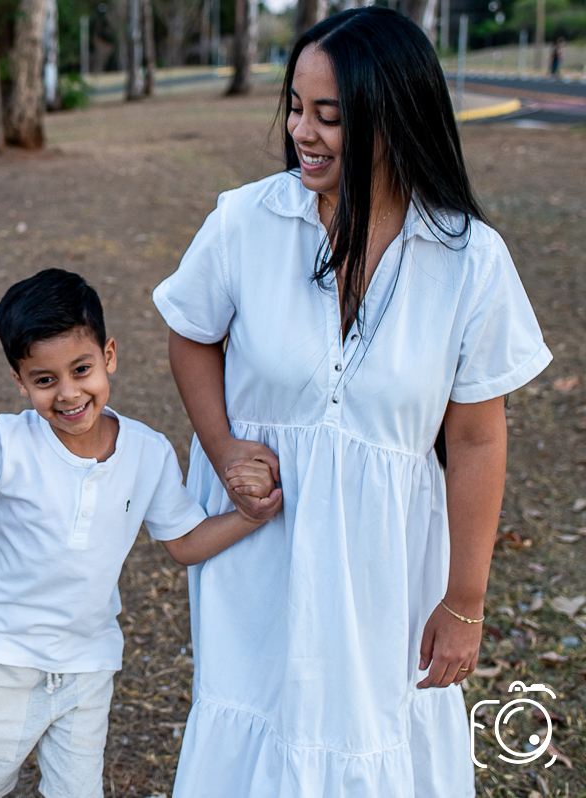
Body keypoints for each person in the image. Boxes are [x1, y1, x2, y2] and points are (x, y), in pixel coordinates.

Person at [153, 7, 552, 796]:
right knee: (256, 716)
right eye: (296, 108)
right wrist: (225, 449)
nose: (302, 132)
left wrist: (464, 602)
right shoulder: (247, 220)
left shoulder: (469, 259)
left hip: (387, 557)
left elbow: (477, 439)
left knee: (372, 731)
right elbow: (190, 336)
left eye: (329, 116)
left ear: (392, 116)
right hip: (262, 544)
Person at [0, 269, 282, 798]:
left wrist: (248, 518)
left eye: (81, 369)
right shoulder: (8, 441)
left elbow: (184, 543)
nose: (68, 394)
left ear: (109, 355)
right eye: (44, 380)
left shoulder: (148, 451)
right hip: (0, 660)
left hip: (88, 667)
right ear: (20, 382)